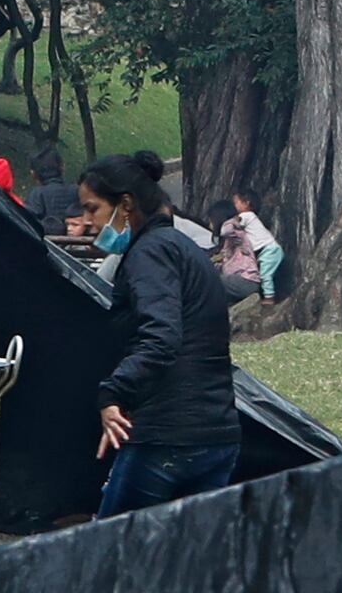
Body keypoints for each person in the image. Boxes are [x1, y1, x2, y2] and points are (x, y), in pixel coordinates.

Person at [81, 150, 239, 511]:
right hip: (217, 431)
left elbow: (161, 336)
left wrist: (112, 394)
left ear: (125, 204)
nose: (87, 221)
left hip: (168, 436)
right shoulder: (183, 248)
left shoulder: (150, 254)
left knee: (115, 553)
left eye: (92, 209)